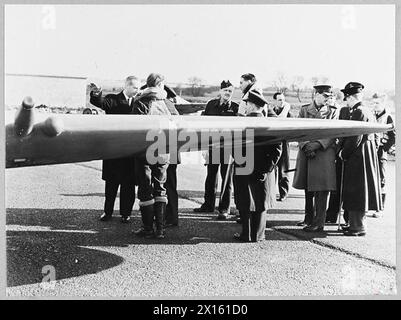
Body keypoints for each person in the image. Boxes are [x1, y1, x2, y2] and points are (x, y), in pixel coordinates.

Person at [89, 76, 140, 223]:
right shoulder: (113, 99)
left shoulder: (138, 102)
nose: (137, 91)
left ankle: (126, 213)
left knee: (128, 186)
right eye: (135, 88)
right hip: (113, 149)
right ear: (127, 86)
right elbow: (98, 102)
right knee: (111, 184)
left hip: (130, 150)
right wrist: (97, 91)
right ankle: (108, 212)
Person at [233, 90, 282, 242]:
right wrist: (267, 169)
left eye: (246, 103)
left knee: (245, 201)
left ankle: (246, 234)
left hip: (243, 167)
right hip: (263, 170)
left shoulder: (242, 123)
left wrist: (239, 161)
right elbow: (277, 150)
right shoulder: (270, 124)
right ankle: (258, 235)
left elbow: (233, 145)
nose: (245, 106)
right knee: (261, 202)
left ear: (252, 105)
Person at [292, 85, 338, 232]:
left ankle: (319, 222)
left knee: (322, 189)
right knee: (308, 187)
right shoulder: (304, 110)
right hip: (307, 152)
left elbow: (334, 133)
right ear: (316, 94)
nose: (327, 99)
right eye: (325, 95)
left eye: (329, 96)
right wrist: (306, 146)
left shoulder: (332, 112)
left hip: (323, 154)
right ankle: (308, 218)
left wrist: (317, 145)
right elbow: (297, 130)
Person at [339, 82, 382, 236]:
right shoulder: (365, 110)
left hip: (358, 155)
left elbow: (354, 137)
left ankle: (357, 227)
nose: (346, 100)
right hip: (363, 153)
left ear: (350, 97)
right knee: (358, 189)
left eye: (347, 97)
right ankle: (354, 224)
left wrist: (343, 153)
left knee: (357, 190)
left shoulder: (359, 111)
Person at [132, 73, 171, 239]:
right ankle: (160, 230)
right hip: (163, 151)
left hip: (144, 152)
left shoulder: (140, 102)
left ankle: (147, 228)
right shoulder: (168, 103)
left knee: (145, 188)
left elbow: (134, 129)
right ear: (161, 84)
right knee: (160, 187)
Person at [193, 80, 239, 220]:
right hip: (212, 146)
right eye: (225, 90)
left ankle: (224, 209)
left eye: (230, 91)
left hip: (228, 147)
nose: (227, 93)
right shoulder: (211, 105)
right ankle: (208, 204)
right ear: (220, 91)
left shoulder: (236, 108)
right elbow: (203, 126)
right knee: (211, 176)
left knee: (227, 179)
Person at [370, 92, 395, 218]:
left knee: (381, 179)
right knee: (371, 177)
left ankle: (380, 209)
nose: (374, 105)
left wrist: (384, 149)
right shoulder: (371, 114)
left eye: (377, 103)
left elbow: (393, 136)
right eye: (373, 103)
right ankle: (372, 205)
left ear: (383, 103)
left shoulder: (388, 117)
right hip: (371, 150)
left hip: (381, 152)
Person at [272, 92, 291, 201]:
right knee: (272, 169)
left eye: (283, 99)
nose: (282, 101)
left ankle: (283, 194)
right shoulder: (271, 111)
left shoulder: (288, 113)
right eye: (279, 99)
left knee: (284, 170)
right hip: (273, 143)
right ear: (274, 101)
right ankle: (271, 192)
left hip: (284, 143)